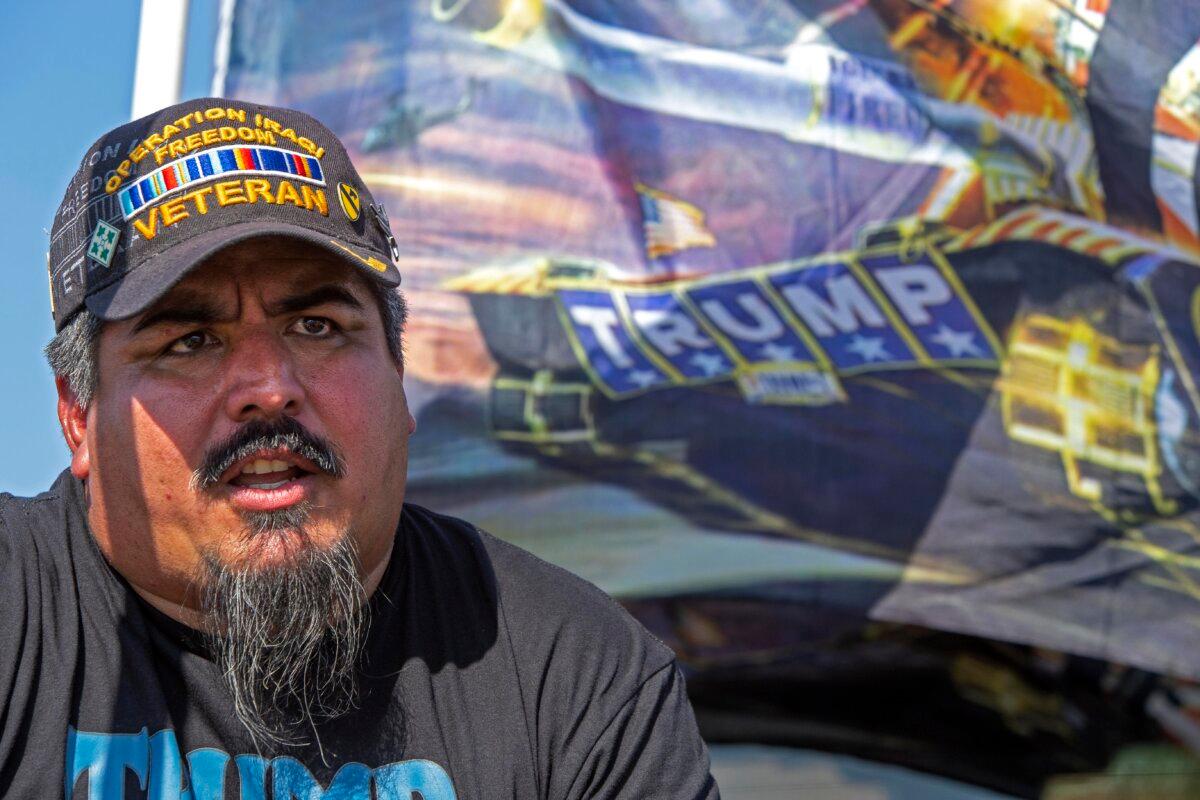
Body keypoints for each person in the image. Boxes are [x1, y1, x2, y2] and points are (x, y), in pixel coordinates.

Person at [1, 98, 719, 799]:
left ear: (398, 376)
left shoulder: (574, 675)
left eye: (316, 326)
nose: (269, 388)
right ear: (77, 414)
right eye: (189, 341)